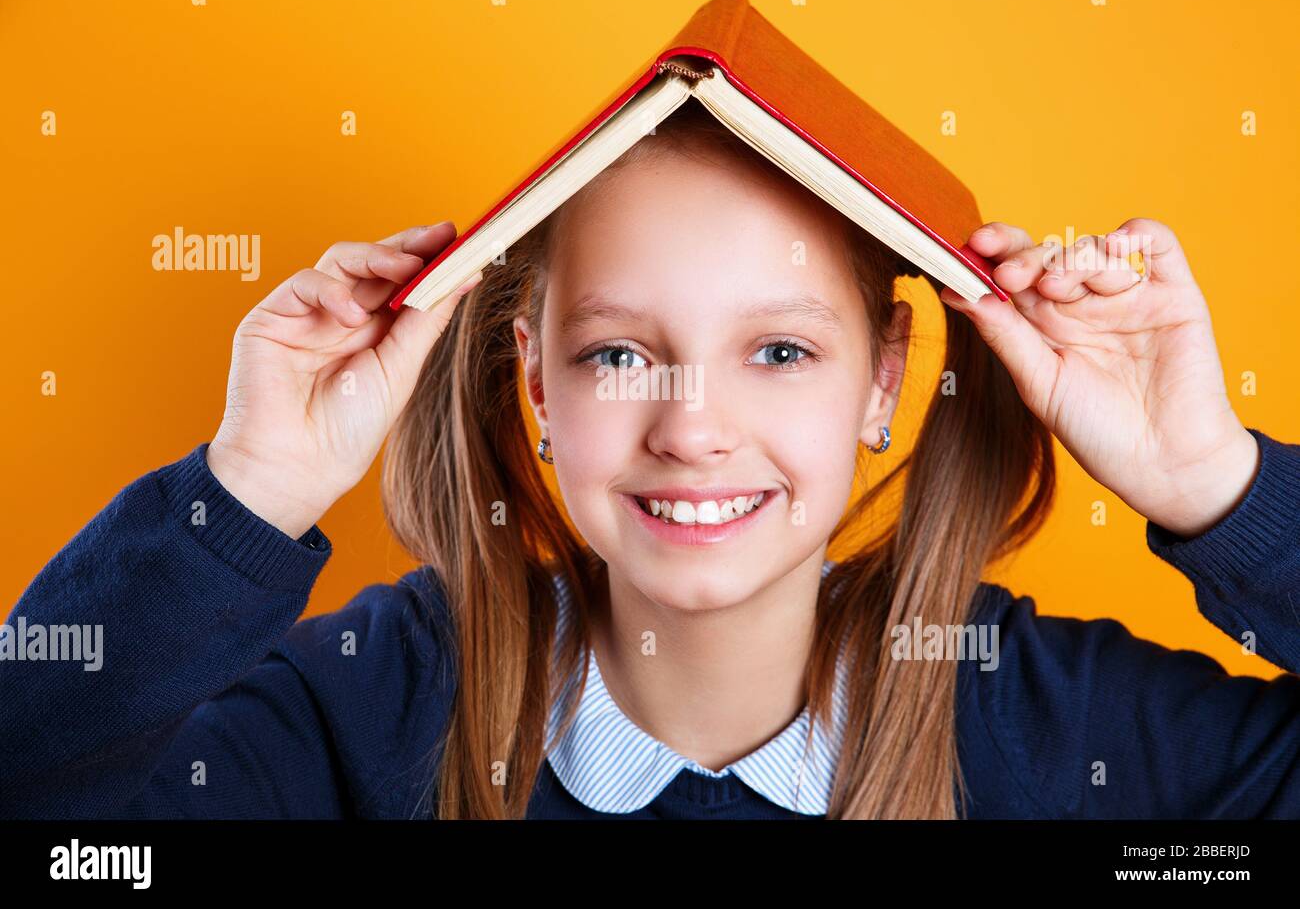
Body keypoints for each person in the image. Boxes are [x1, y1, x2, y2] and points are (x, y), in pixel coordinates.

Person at [2, 101, 1296, 820]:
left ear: (886, 379)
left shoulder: (1035, 722)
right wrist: (247, 496)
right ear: (536, 385)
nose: (691, 425)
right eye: (619, 354)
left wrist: (1219, 488)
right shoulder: (387, 701)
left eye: (779, 352)